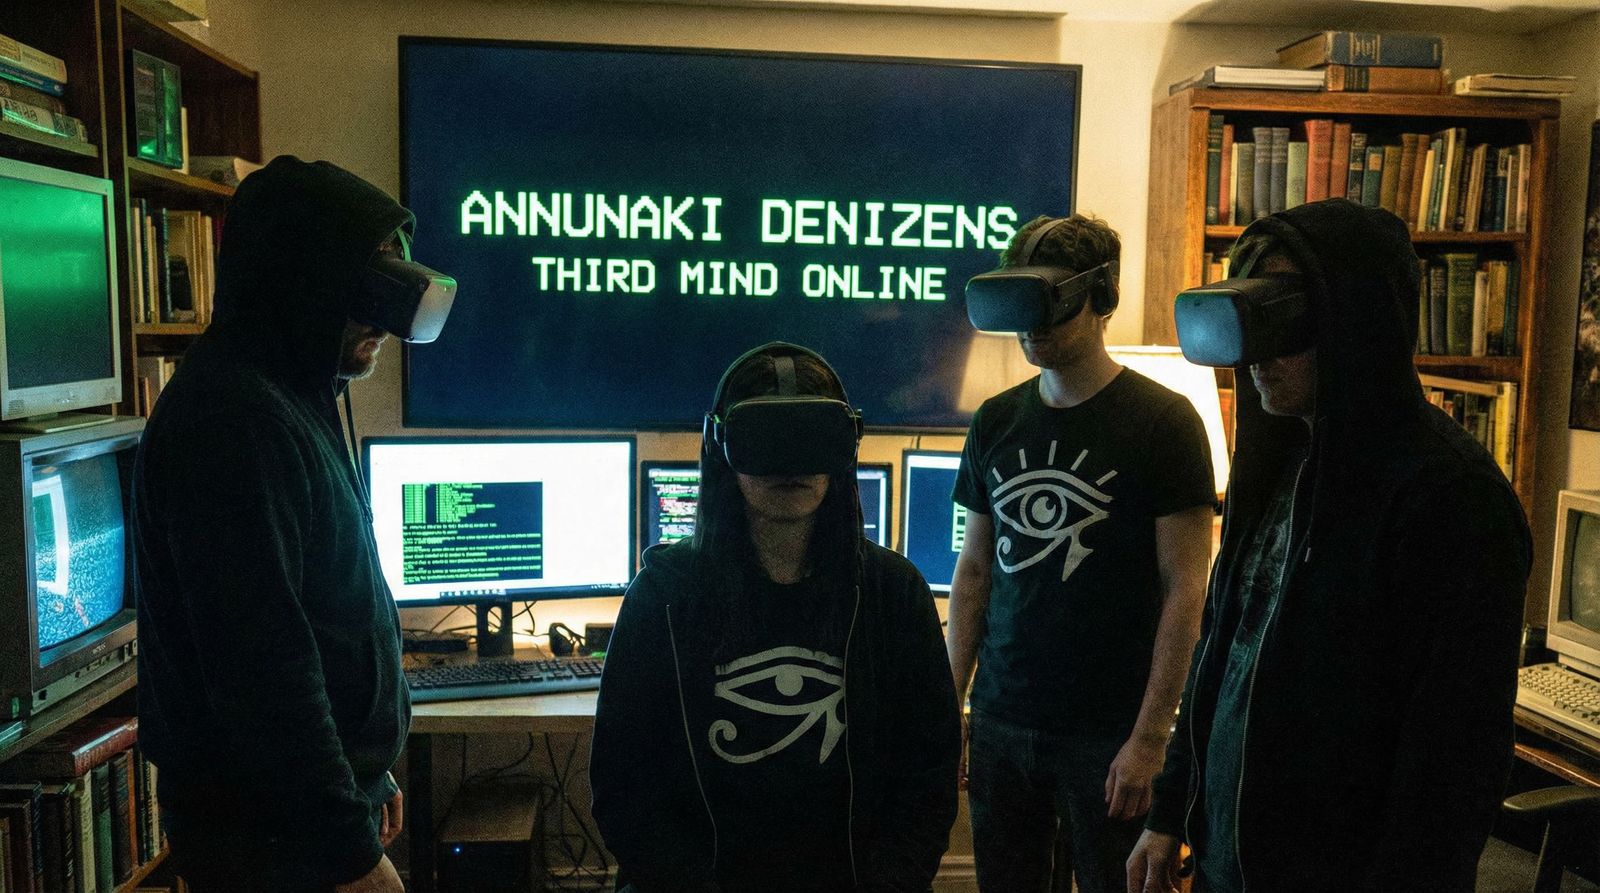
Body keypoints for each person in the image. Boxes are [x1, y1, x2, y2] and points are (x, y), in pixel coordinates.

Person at [1126, 199, 1532, 893]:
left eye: (1284, 320)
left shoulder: (1451, 497)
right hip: (1230, 864)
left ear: (1358, 324)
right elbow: (1222, 652)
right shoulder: (1277, 465)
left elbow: (1452, 761)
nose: (1259, 355)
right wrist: (1172, 811)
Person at [134, 156, 456, 893]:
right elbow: (264, 670)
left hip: (306, 818)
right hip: (269, 841)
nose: (383, 325)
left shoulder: (293, 393)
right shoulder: (231, 421)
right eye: (365, 297)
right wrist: (349, 852)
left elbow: (325, 604)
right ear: (300, 285)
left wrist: (369, 773)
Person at [590, 342, 961, 893]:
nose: (791, 464)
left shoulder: (894, 595)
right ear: (723, 448)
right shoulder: (663, 598)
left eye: (810, 436)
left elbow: (928, 777)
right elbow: (625, 787)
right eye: (768, 438)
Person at [949, 214, 1217, 893]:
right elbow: (974, 573)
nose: (1032, 327)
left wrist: (1150, 738)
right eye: (1020, 307)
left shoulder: (1165, 422)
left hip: (1108, 732)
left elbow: (1186, 589)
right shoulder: (995, 420)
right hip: (1003, 719)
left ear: (1100, 298)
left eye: (1050, 305)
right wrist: (951, 703)